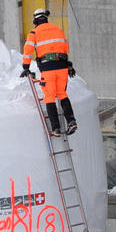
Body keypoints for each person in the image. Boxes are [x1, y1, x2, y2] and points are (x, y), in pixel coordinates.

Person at [21, 8, 77, 137]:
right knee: (62, 93)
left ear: (35, 20)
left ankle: (56, 128)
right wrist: (68, 65)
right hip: (62, 67)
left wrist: (26, 67)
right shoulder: (58, 30)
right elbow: (64, 49)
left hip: (48, 69)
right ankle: (71, 121)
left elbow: (28, 50)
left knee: (49, 97)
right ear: (46, 18)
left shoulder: (34, 32)